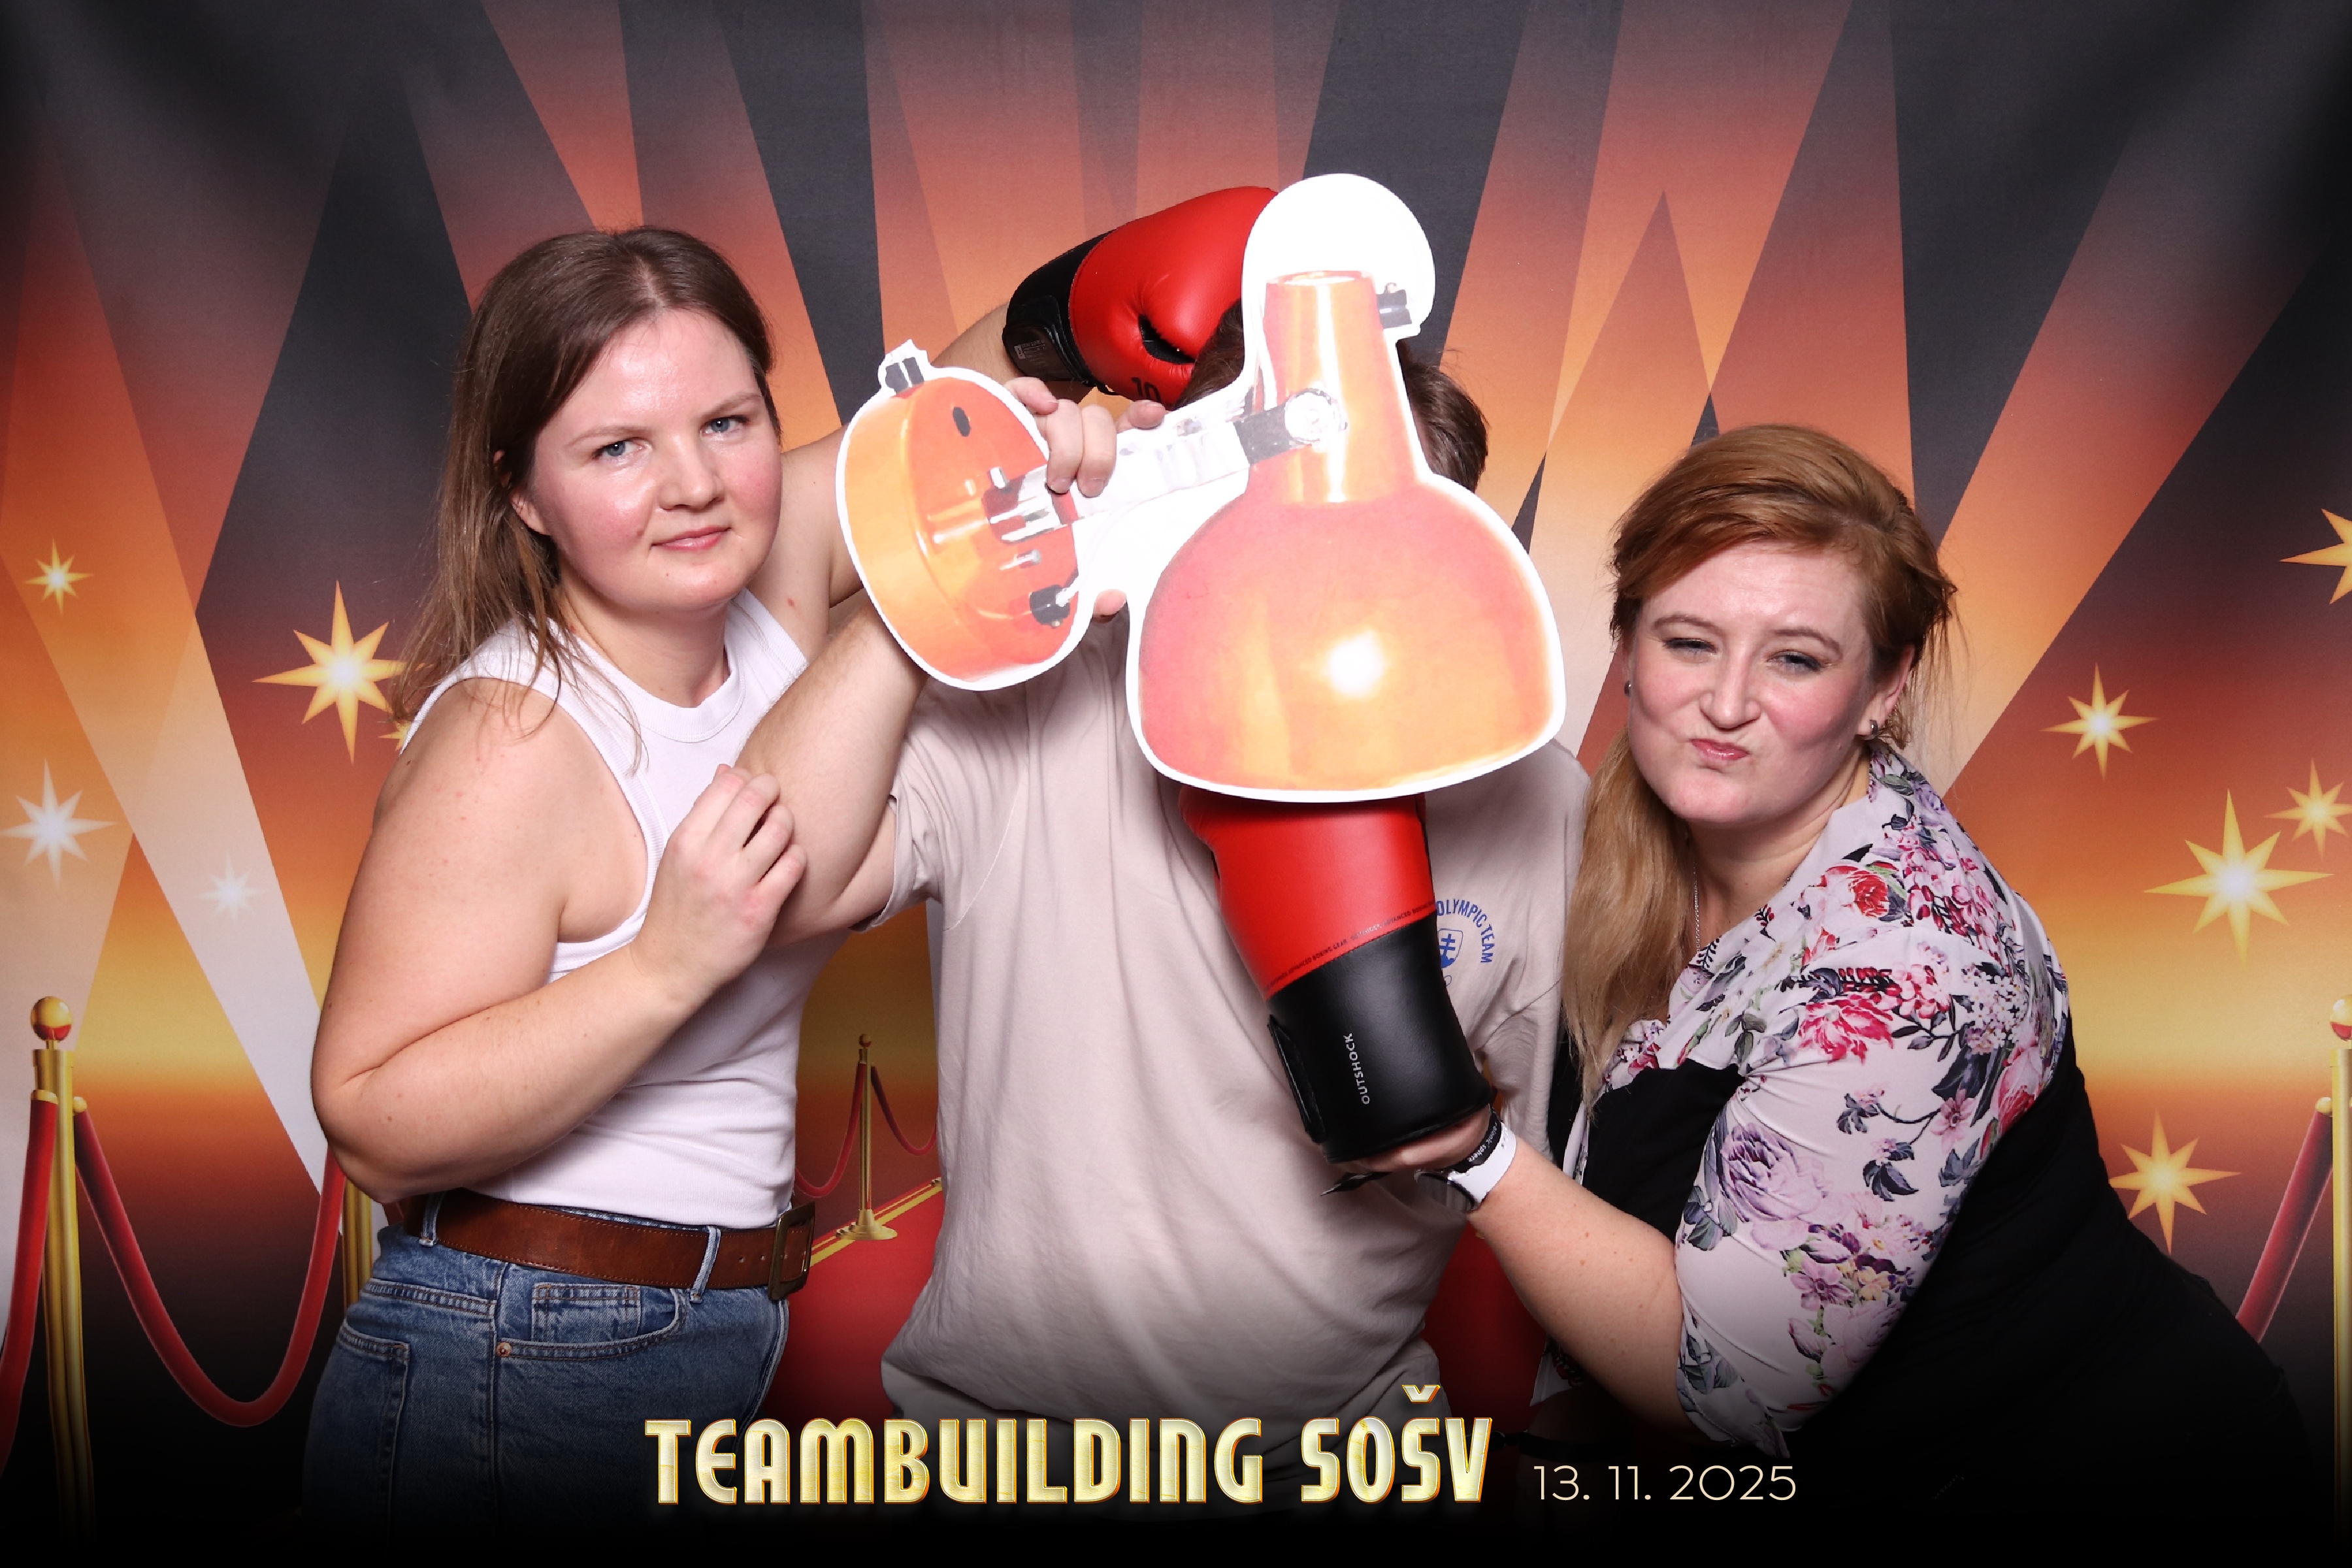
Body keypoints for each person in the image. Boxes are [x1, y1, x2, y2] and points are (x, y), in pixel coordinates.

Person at [748, 220, 1585, 1503]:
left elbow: (1554, 1173)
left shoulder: (1531, 792)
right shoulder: (1034, 707)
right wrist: (952, 580)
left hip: (1344, 1458)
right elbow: (772, 876)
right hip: (998, 1455)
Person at [301, 228, 1115, 1524]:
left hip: (697, 1329)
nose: (692, 484)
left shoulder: (763, 582)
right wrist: (661, 968)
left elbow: (942, 430)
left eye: (727, 423)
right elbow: (368, 1115)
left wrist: (1093, 308)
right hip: (518, 1346)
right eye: (617, 449)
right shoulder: (514, 737)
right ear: (524, 493)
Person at [1419, 423, 2310, 1518]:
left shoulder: (1912, 963)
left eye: (1795, 659)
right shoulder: (1628, 835)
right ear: (1627, 644)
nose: (1727, 703)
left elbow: (1723, 1394)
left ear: (1884, 687)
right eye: (1689, 642)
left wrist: (1470, 1151)